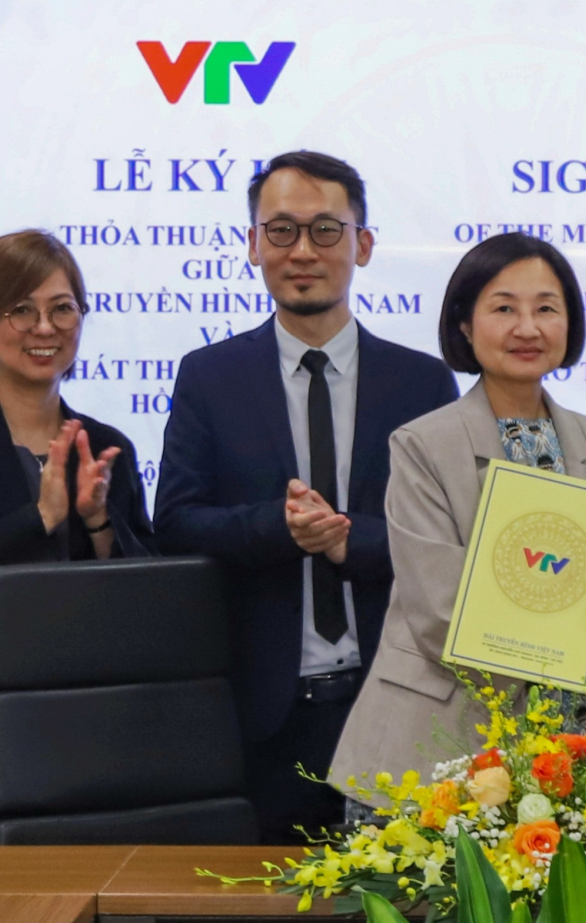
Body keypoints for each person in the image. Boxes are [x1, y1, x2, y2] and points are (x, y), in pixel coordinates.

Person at [154, 151, 459, 844]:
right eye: (281, 231)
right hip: (265, 716)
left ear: (364, 244)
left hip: (399, 702)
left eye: (326, 230)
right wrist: (278, 528)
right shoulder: (210, 377)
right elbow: (173, 523)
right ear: (253, 245)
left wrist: (352, 539)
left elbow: (450, 545)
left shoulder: (422, 384)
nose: (302, 251)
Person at [332, 233, 586, 790]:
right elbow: (442, 613)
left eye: (546, 308)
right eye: (503, 308)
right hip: (435, 746)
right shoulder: (423, 445)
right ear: (465, 325)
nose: (527, 327)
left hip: (567, 746)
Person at [0, 230, 152, 563]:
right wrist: (42, 516)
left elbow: (150, 590)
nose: (45, 328)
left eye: (62, 308)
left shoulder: (106, 448)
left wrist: (98, 522)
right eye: (22, 310)